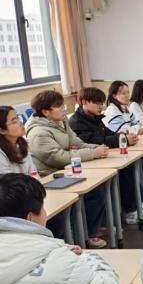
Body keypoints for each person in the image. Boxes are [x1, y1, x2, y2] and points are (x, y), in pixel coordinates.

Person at [25, 90, 110, 248]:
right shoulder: (38, 133)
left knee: (96, 188)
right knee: (87, 194)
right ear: (45, 112)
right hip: (49, 177)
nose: (64, 109)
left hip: (66, 171)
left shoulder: (61, 121)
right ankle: (83, 237)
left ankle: (90, 230)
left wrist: (97, 148)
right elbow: (59, 157)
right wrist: (93, 153)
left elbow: (76, 142)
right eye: (59, 106)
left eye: (63, 105)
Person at [0, 106, 67, 238]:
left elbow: (33, 175)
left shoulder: (19, 144)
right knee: (51, 219)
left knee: (57, 214)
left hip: (19, 199)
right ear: (2, 130)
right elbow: (6, 187)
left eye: (18, 118)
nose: (20, 122)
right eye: (14, 121)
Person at [69, 87, 143, 224]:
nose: (101, 106)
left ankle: (140, 203)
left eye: (101, 103)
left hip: (99, 156)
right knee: (123, 171)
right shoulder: (76, 122)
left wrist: (123, 137)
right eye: (97, 103)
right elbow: (92, 140)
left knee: (129, 165)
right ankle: (131, 212)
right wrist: (122, 140)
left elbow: (108, 134)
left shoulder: (95, 117)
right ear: (84, 102)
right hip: (88, 161)